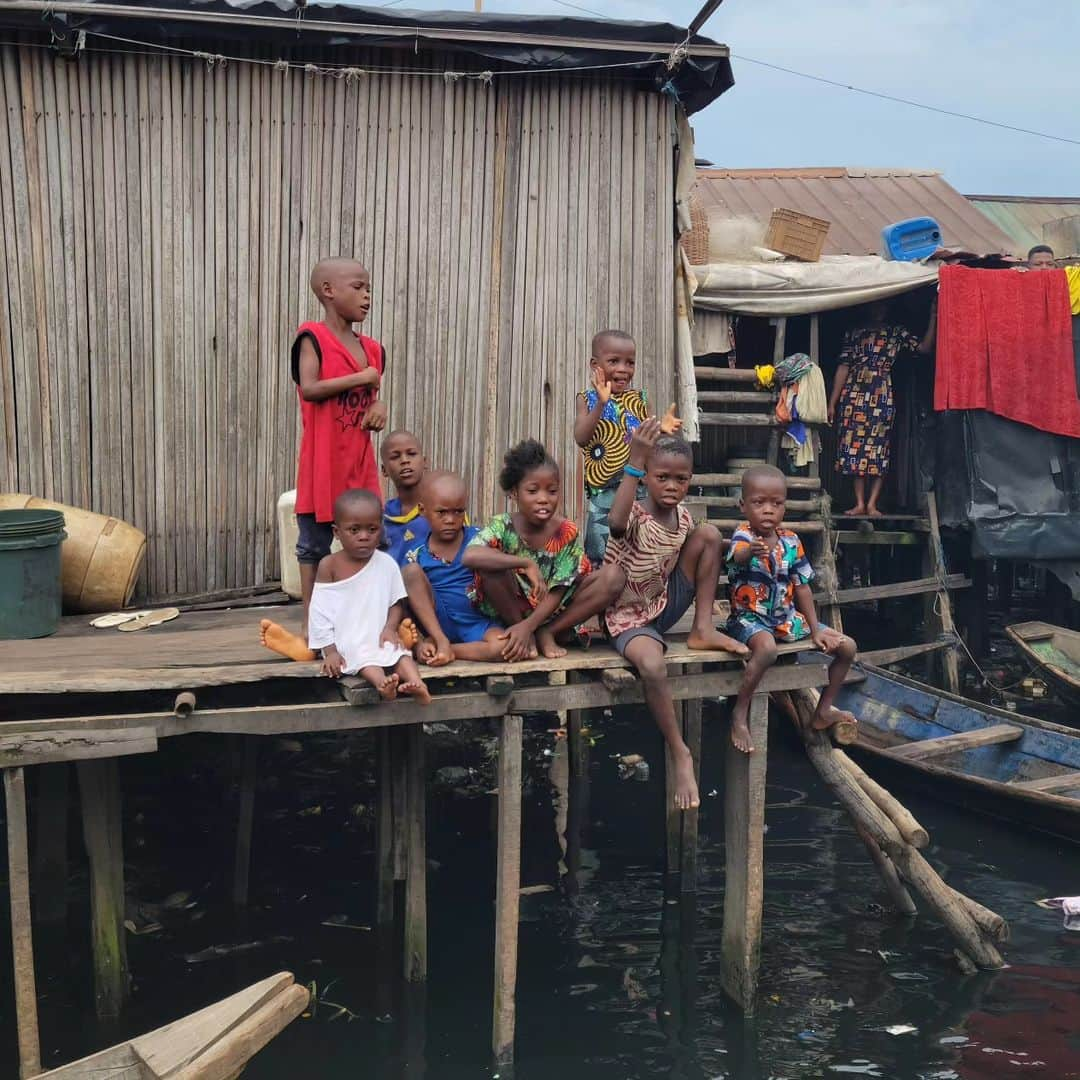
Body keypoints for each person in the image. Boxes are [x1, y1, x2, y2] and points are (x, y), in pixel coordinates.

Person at [603, 419, 749, 811]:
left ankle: (702, 627)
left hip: (662, 606)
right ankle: (679, 750)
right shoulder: (633, 512)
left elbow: (704, 555)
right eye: (662, 477)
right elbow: (615, 525)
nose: (671, 486)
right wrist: (633, 461)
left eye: (680, 479)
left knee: (711, 535)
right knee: (653, 667)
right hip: (627, 618)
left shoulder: (684, 519)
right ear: (647, 477)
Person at [725, 464, 857, 754]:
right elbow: (737, 557)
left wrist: (814, 630)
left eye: (776, 503)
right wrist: (751, 552)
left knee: (848, 647)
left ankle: (822, 710)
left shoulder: (791, 541)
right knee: (767, 650)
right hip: (749, 621)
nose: (768, 510)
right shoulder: (744, 535)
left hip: (786, 620)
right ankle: (739, 712)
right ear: (743, 506)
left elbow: (803, 588)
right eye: (759, 503)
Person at [292, 258, 388, 631]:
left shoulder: (373, 350)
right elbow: (311, 388)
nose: (366, 296)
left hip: (359, 464)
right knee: (313, 546)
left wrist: (379, 404)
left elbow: (375, 392)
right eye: (358, 287)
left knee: (372, 543)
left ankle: (370, 620)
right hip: (323, 464)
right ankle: (312, 624)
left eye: (369, 289)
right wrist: (361, 378)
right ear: (328, 291)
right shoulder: (312, 337)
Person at [464, 440, 623, 662]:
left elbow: (560, 589)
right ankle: (521, 631)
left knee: (613, 576)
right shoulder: (502, 525)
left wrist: (532, 625)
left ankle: (543, 632)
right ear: (514, 493)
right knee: (489, 564)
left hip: (555, 612)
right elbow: (470, 555)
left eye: (552, 491)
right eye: (532, 490)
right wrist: (523, 563)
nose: (543, 499)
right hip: (513, 610)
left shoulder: (566, 531)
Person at [306, 489, 430, 703]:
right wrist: (331, 651)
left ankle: (419, 685)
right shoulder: (329, 565)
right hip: (346, 640)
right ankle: (383, 684)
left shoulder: (386, 563)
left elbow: (396, 601)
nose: (364, 536)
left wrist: (390, 628)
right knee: (362, 656)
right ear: (337, 532)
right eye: (354, 530)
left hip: (379, 633)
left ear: (380, 529)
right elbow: (319, 612)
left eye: (371, 529)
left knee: (399, 652)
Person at [574, 329, 681, 566]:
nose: (623, 369)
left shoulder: (640, 399)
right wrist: (601, 403)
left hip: (640, 490)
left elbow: (650, 440)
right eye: (614, 361)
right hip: (604, 492)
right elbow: (581, 438)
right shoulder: (587, 399)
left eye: (630, 362)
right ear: (595, 364)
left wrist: (661, 429)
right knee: (601, 553)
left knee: (638, 550)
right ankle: (600, 595)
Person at [828, 298, 936, 517]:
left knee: (879, 449)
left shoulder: (895, 333)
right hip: (854, 395)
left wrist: (934, 317)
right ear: (867, 307)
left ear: (888, 308)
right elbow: (843, 366)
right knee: (855, 449)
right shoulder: (855, 333)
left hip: (880, 395)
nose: (878, 310)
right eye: (875, 306)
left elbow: (924, 348)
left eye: (883, 306)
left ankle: (872, 504)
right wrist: (832, 402)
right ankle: (859, 503)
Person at [402, 471, 507, 664]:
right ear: (422, 510)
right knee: (410, 572)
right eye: (441, 512)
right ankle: (438, 641)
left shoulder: (479, 540)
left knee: (503, 647)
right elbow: (407, 605)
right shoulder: (416, 553)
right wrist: (420, 642)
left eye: (458, 511)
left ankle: (449, 650)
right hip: (435, 624)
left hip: (477, 623)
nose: (450, 519)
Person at [381, 430, 430, 563]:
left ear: (424, 462)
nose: (405, 460)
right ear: (384, 470)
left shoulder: (441, 510)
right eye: (395, 457)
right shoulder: (381, 518)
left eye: (412, 454)